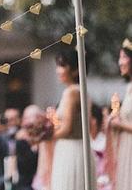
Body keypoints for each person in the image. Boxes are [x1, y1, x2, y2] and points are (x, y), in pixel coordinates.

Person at [50, 48, 96, 190]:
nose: (58, 70)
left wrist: (45, 137)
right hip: (78, 148)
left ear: (75, 70)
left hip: (71, 150)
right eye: (58, 65)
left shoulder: (72, 93)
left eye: (62, 66)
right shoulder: (80, 91)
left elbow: (67, 129)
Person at [105, 39, 132, 190]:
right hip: (126, 149)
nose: (119, 62)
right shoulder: (128, 89)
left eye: (124, 57)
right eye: (119, 57)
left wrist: (118, 123)